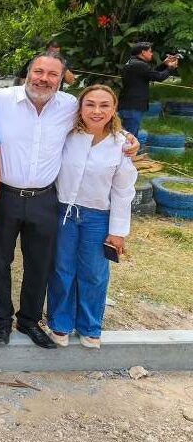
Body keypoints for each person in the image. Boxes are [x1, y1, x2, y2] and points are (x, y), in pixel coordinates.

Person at [0, 54, 139, 348]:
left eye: (52, 74)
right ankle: (2, 320)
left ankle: (29, 320)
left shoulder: (69, 106)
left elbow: (100, 119)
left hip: (45, 199)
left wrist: (128, 137)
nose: (44, 79)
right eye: (38, 71)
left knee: (41, 265)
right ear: (28, 72)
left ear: (62, 79)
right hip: (4, 196)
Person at [46, 85, 137, 349]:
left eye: (104, 105)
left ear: (114, 109)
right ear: (80, 108)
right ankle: (60, 323)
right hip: (64, 212)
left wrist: (118, 231)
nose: (97, 111)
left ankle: (90, 326)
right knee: (62, 269)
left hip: (98, 217)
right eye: (90, 104)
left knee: (94, 273)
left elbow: (123, 191)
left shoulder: (121, 145)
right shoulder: (67, 136)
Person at [118, 42, 179, 136]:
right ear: (143, 52)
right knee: (130, 137)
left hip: (128, 104)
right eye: (150, 51)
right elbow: (159, 77)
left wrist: (164, 64)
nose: (152, 54)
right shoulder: (139, 65)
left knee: (127, 134)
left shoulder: (132, 62)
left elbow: (151, 74)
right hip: (133, 106)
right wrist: (170, 68)